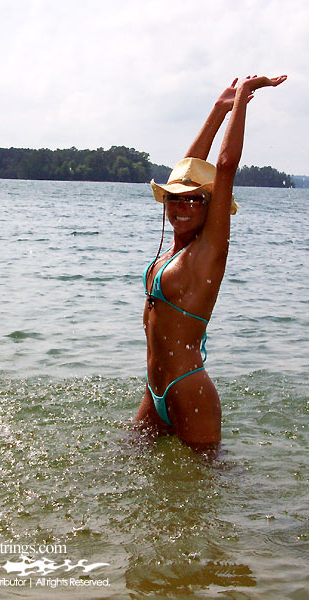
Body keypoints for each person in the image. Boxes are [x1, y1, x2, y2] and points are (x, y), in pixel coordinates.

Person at [136, 75, 287, 449]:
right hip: (155, 388)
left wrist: (240, 102)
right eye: (176, 199)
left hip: (189, 389)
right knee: (127, 470)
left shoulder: (209, 252)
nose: (183, 205)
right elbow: (188, 168)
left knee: (203, 492)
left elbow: (224, 164)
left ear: (210, 207)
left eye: (195, 200)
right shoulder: (173, 250)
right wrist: (217, 111)